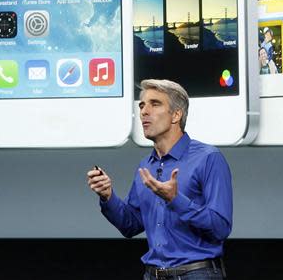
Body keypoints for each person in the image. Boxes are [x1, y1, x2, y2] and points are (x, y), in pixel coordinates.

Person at [87, 79, 232, 279]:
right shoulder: (146, 166)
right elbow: (130, 225)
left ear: (176, 115)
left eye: (155, 104)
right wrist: (107, 196)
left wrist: (176, 199)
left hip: (197, 274)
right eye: (142, 105)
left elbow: (220, 228)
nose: (144, 111)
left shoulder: (208, 158)